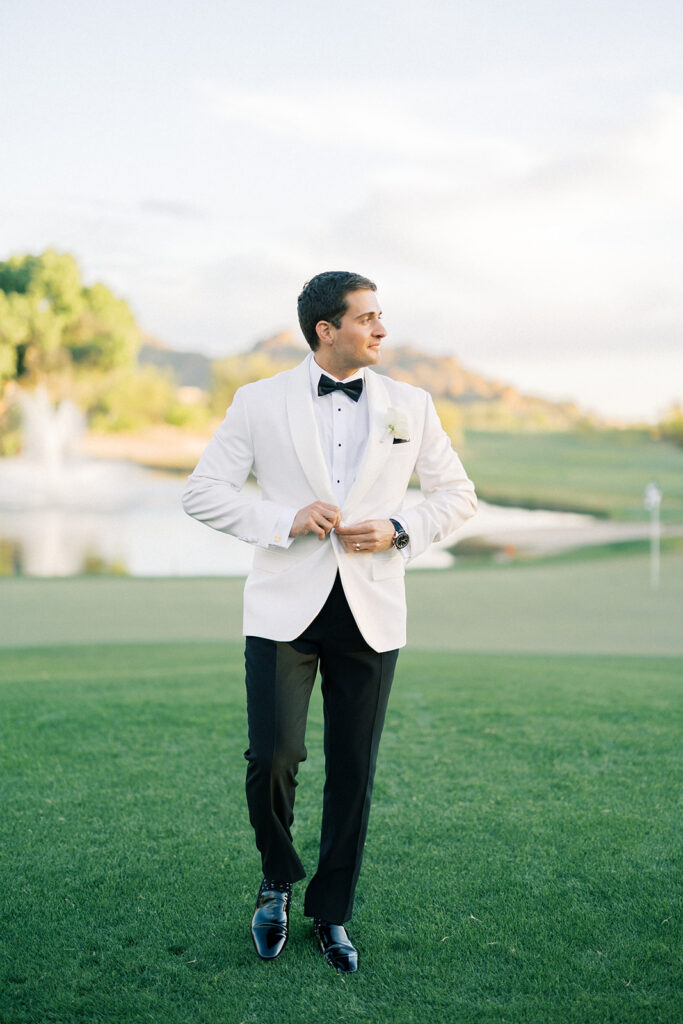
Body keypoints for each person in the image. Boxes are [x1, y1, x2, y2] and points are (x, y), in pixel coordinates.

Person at [182, 271, 477, 973]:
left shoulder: (411, 404)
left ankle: (332, 912)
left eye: (380, 316)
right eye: (367, 318)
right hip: (282, 606)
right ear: (326, 329)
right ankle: (276, 880)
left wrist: (399, 528)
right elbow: (203, 492)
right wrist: (283, 519)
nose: (381, 329)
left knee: (354, 768)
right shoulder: (259, 402)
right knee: (273, 756)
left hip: (372, 609)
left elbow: (457, 495)